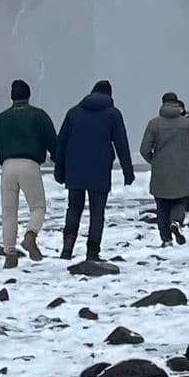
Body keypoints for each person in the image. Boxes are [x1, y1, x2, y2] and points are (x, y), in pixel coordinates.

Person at [0, 78, 58, 269]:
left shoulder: (0, 119)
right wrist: (61, 167)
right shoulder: (39, 116)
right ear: (29, 95)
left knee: (9, 212)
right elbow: (54, 145)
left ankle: (10, 255)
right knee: (37, 207)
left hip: (7, 167)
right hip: (30, 164)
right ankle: (30, 236)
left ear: (11, 97)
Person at [54, 80, 134, 261]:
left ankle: (67, 248)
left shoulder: (73, 113)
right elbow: (121, 144)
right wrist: (127, 172)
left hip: (74, 172)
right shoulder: (113, 115)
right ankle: (92, 252)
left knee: (74, 209)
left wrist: (59, 171)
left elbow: (62, 143)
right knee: (97, 214)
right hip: (100, 172)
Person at [139, 92, 189, 246]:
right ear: (178, 104)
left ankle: (166, 239)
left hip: (160, 171)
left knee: (162, 206)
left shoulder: (154, 124)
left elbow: (144, 149)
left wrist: (154, 161)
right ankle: (177, 222)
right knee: (179, 201)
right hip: (181, 170)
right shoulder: (188, 124)